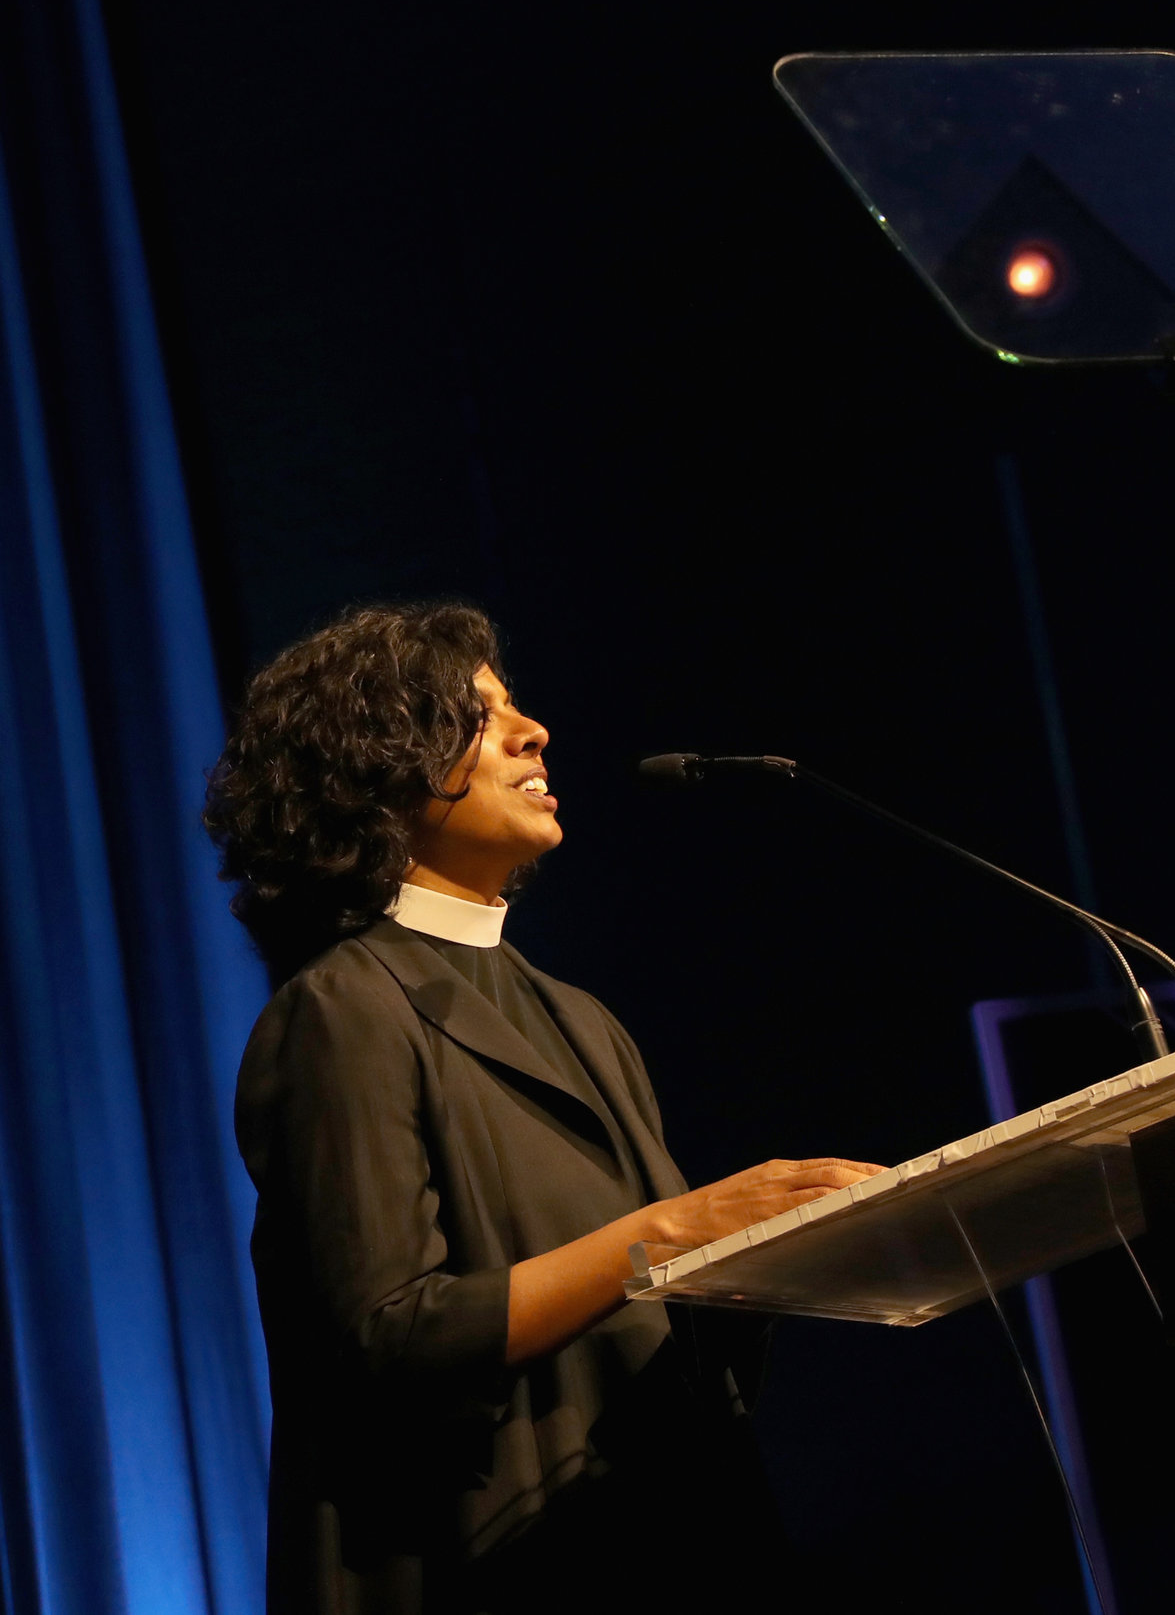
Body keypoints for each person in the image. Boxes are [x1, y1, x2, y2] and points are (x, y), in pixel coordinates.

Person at [209, 601, 882, 1614]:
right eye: (479, 715)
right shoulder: (342, 1011)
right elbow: (387, 1338)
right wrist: (671, 1230)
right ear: (377, 764)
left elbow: (654, 1329)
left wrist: (776, 1254)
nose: (533, 731)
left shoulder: (580, 1018)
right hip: (493, 1563)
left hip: (667, 1539)